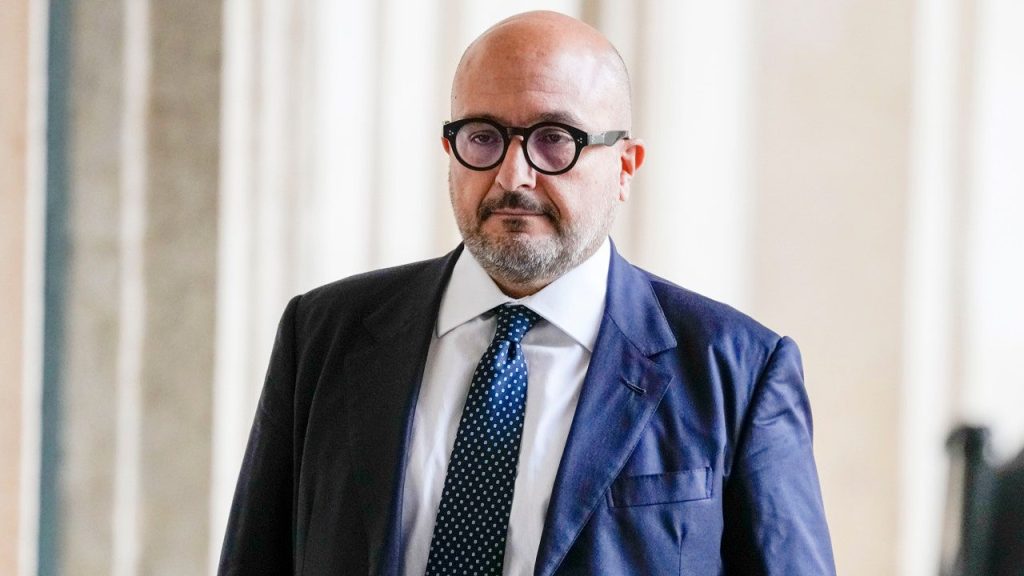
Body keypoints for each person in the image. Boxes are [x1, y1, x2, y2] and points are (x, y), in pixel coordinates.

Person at [218, 10, 835, 576]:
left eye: (555, 138)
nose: (513, 176)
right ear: (450, 150)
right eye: (483, 137)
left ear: (625, 166)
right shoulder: (323, 333)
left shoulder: (738, 371)